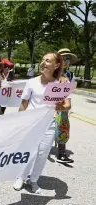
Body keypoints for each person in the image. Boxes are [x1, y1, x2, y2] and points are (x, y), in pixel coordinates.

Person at [13, 52, 70, 194]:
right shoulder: (31, 82)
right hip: (32, 123)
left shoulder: (61, 83)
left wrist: (61, 107)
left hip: (49, 124)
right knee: (29, 151)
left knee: (42, 153)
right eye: (43, 59)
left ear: (56, 65)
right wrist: (19, 123)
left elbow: (67, 105)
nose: (43, 62)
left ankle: (33, 180)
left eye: (48, 60)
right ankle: (21, 177)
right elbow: (23, 104)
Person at [54, 48, 77, 163]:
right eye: (63, 58)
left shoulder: (71, 75)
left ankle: (61, 153)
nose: (65, 61)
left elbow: (71, 90)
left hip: (63, 105)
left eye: (68, 59)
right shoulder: (51, 72)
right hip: (49, 104)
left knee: (63, 127)